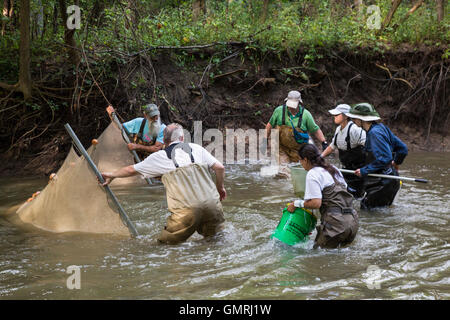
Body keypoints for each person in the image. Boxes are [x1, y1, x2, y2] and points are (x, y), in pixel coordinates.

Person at [100, 123, 226, 244]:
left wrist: (112, 175)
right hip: (212, 205)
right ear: (182, 138)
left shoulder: (159, 157)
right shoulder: (197, 148)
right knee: (215, 240)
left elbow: (131, 170)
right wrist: (220, 188)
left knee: (167, 245)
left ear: (165, 141)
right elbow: (220, 168)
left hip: (186, 211)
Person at [287, 144, 358, 249]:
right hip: (352, 222)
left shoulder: (313, 173)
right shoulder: (333, 169)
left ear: (305, 160)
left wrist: (296, 204)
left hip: (336, 226)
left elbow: (316, 203)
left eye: (300, 160)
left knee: (315, 258)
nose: (300, 163)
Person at [347, 103, 408, 209]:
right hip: (391, 179)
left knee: (367, 211)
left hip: (382, 184)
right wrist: (396, 163)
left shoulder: (374, 134)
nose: (353, 120)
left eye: (355, 118)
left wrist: (364, 170)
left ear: (362, 119)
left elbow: (385, 158)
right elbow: (403, 149)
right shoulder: (381, 128)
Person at [263, 90, 328, 175]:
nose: (291, 107)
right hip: (282, 148)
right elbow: (269, 125)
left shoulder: (306, 115)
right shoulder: (279, 111)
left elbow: (315, 129)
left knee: (299, 172)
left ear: (299, 103)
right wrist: (264, 140)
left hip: (299, 150)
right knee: (283, 172)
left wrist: (324, 142)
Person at [321, 104, 366, 197]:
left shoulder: (355, 129)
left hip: (358, 170)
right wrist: (320, 157)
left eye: (337, 115)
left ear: (346, 116)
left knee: (357, 195)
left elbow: (368, 145)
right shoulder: (338, 129)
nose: (334, 116)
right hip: (347, 169)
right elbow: (332, 146)